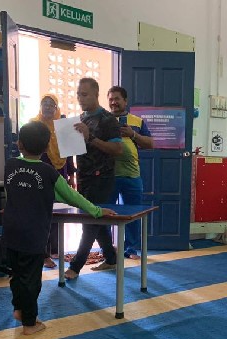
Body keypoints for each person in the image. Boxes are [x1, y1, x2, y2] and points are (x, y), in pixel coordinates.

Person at [3, 121, 116, 335]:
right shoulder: (48, 172)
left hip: (10, 232)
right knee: (31, 279)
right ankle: (30, 323)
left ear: (19, 144)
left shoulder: (10, 165)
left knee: (16, 275)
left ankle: (19, 309)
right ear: (47, 148)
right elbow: (72, 196)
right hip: (33, 235)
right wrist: (97, 211)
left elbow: (18, 191)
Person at [64, 78, 123, 280]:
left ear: (96, 95)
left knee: (90, 221)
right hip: (84, 177)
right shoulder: (81, 119)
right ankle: (111, 257)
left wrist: (91, 138)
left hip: (102, 177)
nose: (80, 98)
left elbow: (118, 149)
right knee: (97, 220)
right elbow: (76, 150)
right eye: (78, 94)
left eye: (84, 94)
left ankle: (76, 266)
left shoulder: (108, 119)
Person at [107, 86, 154, 260]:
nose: (113, 102)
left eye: (117, 99)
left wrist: (133, 134)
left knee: (133, 213)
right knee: (106, 213)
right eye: (111, 99)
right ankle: (107, 249)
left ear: (125, 101)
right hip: (108, 176)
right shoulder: (103, 120)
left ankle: (131, 249)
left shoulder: (137, 121)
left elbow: (150, 144)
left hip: (132, 176)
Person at [31, 93, 76, 268]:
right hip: (39, 174)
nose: (48, 107)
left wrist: (72, 176)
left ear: (56, 108)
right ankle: (43, 254)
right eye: (45, 104)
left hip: (60, 173)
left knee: (58, 211)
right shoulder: (34, 125)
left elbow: (69, 153)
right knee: (41, 214)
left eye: (51, 104)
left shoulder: (62, 127)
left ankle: (56, 249)